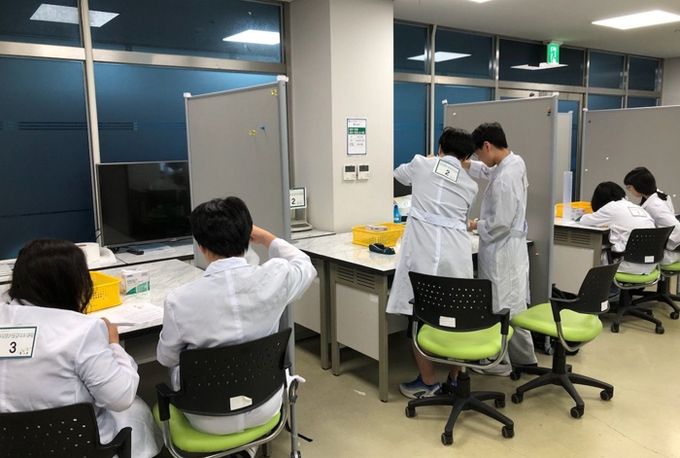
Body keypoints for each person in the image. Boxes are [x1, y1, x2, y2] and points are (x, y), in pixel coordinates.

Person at [156, 196, 316, 439]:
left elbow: (166, 358)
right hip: (265, 405)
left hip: (206, 416)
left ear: (201, 246)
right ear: (247, 238)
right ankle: (248, 448)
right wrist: (267, 238)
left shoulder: (179, 300)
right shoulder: (276, 278)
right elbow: (304, 264)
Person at [0, 239, 161, 458]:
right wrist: (114, 345)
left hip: (10, 447)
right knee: (138, 409)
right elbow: (120, 398)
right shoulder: (82, 330)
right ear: (73, 283)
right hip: (78, 447)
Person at [387, 127, 478, 399]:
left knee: (419, 319)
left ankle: (428, 382)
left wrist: (429, 160)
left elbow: (398, 174)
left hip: (423, 258)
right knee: (456, 320)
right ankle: (455, 378)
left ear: (440, 148)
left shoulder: (421, 164)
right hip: (455, 259)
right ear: (466, 157)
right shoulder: (470, 185)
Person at [463, 122, 538, 375]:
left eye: (478, 154)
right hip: (511, 249)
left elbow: (500, 224)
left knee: (502, 306)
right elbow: (488, 171)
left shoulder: (505, 178)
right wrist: (465, 164)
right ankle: (524, 360)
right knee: (514, 306)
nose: (479, 160)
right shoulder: (514, 162)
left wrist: (475, 224)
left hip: (502, 251)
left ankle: (499, 362)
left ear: (487, 146)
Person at [580, 181, 656, 273]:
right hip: (651, 264)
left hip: (629, 265)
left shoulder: (610, 207)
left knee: (594, 255)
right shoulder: (636, 207)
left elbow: (584, 221)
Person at [623, 167, 680, 265]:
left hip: (668, 254)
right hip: (664, 250)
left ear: (639, 186)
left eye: (629, 187)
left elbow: (677, 230)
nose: (628, 190)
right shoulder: (658, 195)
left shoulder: (655, 206)